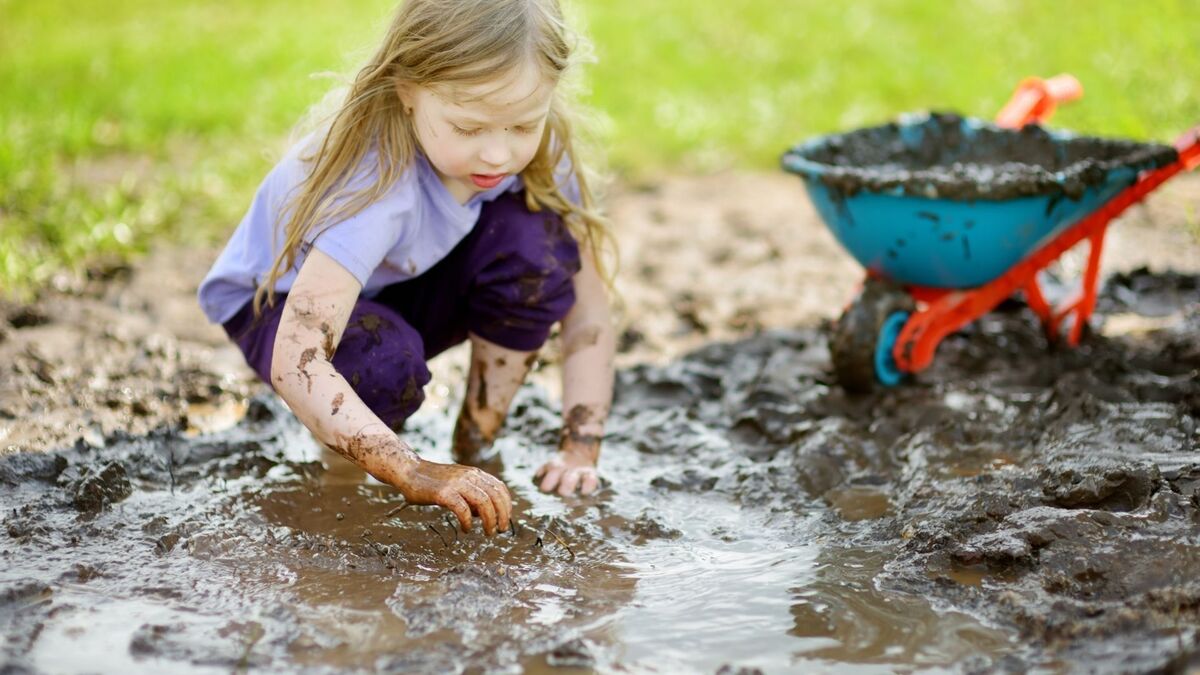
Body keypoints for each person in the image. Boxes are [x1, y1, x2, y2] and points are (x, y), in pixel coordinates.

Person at [197, 0, 615, 537]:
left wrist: (580, 450)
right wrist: (412, 471)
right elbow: (297, 358)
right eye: (468, 127)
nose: (497, 154)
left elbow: (588, 314)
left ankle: (477, 442)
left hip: (402, 282)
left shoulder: (534, 152)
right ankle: (340, 481)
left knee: (540, 252)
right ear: (407, 90)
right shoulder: (374, 185)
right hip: (280, 308)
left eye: (522, 125)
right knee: (378, 362)